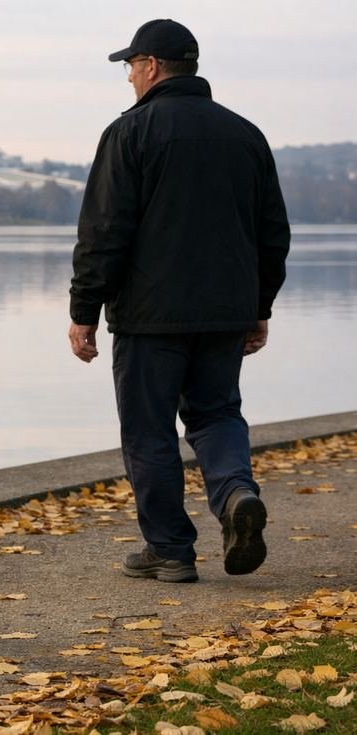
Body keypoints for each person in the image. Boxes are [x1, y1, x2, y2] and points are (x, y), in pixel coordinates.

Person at [68, 19, 290, 583]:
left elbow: (104, 230)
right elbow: (272, 232)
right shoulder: (246, 135)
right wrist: (259, 304)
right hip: (224, 313)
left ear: (151, 66)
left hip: (149, 318)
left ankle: (169, 549)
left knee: (148, 430)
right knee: (216, 414)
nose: (128, 79)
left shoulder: (130, 133)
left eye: (130, 67)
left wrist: (83, 312)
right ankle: (237, 493)